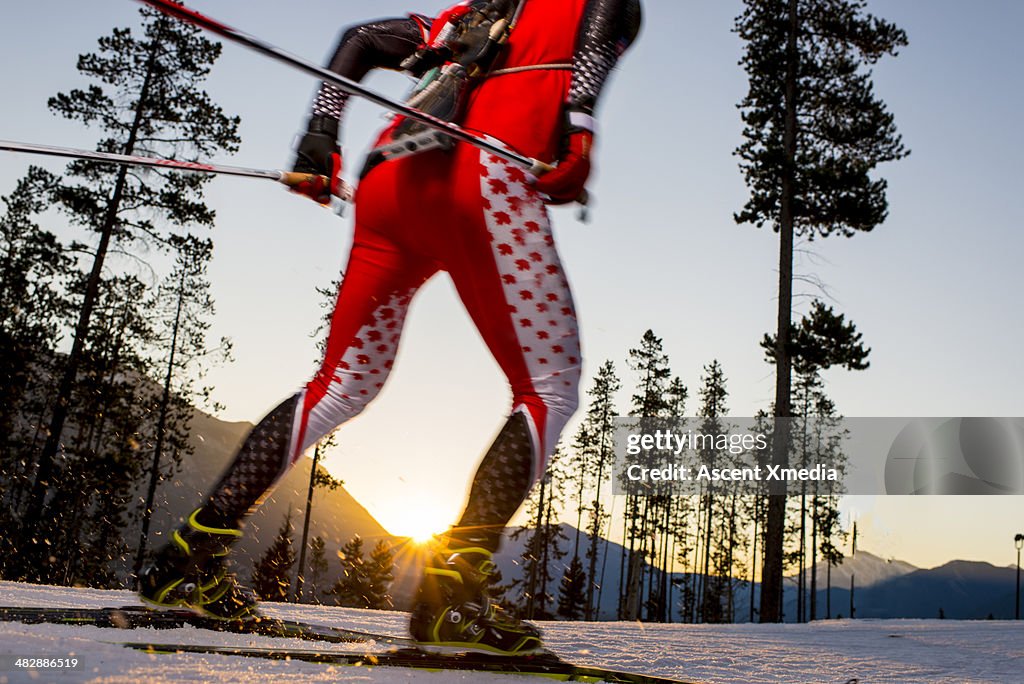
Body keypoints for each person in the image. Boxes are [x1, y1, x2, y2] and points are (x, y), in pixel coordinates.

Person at [139, 0, 640, 654]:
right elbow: (604, 24)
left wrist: (318, 138)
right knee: (549, 385)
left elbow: (362, 40)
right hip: (483, 173)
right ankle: (452, 595)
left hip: (389, 183)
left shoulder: (467, 13)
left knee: (341, 384)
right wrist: (579, 133)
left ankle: (189, 558)